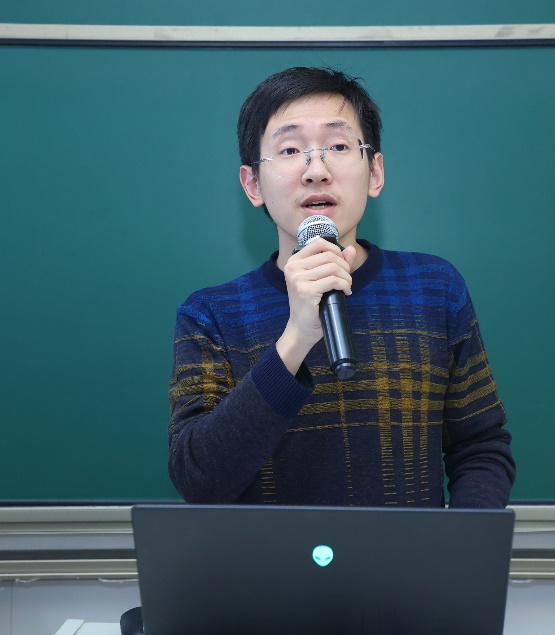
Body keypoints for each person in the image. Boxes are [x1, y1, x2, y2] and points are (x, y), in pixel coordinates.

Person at [168, 67, 515, 507]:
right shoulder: (210, 316)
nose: (317, 170)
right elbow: (199, 480)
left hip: (410, 553)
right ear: (253, 184)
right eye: (290, 150)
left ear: (375, 172)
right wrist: (296, 339)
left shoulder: (434, 288)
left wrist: (459, 543)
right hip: (270, 555)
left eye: (337, 146)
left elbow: (480, 448)